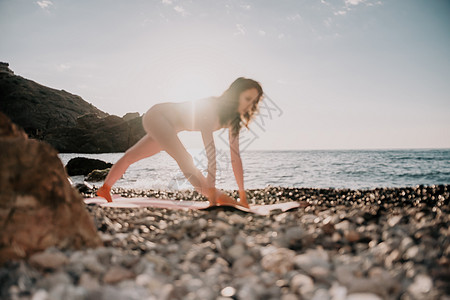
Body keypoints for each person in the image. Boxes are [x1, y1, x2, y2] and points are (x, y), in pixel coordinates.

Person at [97, 77, 263, 208]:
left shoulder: (234, 120)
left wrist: (243, 194)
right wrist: (212, 197)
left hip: (169, 126)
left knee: (131, 156)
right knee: (186, 161)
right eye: (247, 98)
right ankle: (219, 199)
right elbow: (211, 155)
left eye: (254, 102)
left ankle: (104, 189)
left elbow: (235, 157)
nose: (250, 106)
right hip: (158, 116)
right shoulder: (212, 108)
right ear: (235, 95)